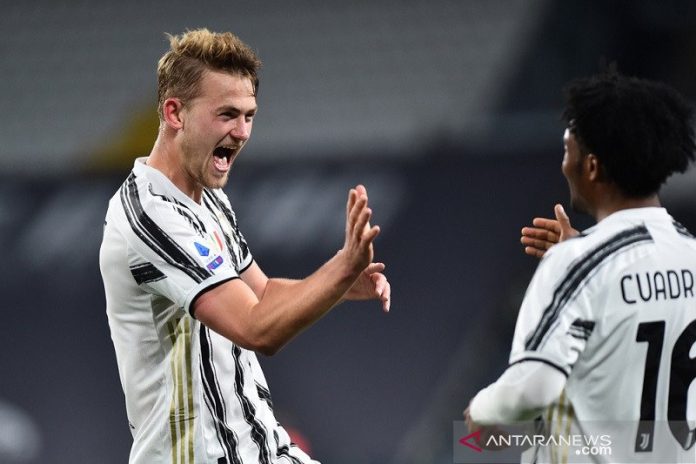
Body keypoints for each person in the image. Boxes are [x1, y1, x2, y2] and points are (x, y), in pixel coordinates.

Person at [99, 28, 391, 464]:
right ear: (175, 113)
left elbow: (264, 293)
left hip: (262, 449)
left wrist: (340, 282)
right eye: (227, 115)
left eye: (249, 116)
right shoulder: (150, 215)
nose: (242, 132)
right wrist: (343, 267)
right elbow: (258, 328)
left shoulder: (208, 197)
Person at [464, 72, 696, 463]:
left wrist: (482, 408)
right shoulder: (689, 255)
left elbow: (532, 389)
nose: (563, 163)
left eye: (567, 148)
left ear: (591, 166)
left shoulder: (573, 264)